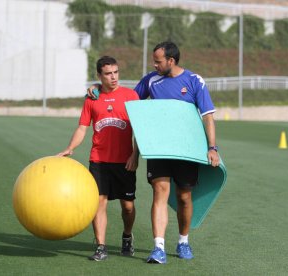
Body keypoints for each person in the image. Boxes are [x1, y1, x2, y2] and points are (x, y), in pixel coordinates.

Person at [88, 41, 220, 264]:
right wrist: (97, 88)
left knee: (184, 197)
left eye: (158, 61)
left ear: (171, 60)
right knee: (160, 191)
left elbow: (207, 116)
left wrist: (212, 148)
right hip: (158, 147)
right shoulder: (151, 80)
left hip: (185, 149)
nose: (154, 65)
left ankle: (183, 241)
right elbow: (126, 97)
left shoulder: (194, 81)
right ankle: (158, 247)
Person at [58, 56, 140, 261]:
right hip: (99, 160)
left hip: (125, 161)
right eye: (108, 74)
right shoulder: (92, 99)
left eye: (115, 72)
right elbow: (82, 127)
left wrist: (135, 154)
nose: (113, 77)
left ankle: (127, 236)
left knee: (128, 206)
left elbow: (140, 129)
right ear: (99, 76)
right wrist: (70, 148)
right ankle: (101, 246)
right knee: (98, 203)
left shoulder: (131, 96)